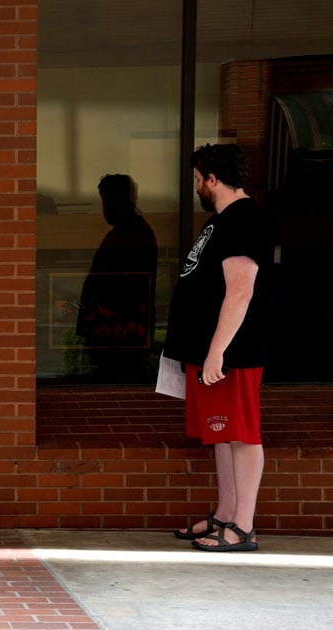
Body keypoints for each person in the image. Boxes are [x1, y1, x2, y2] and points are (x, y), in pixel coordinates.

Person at [165, 144, 273, 552]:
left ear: (212, 178)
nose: (196, 187)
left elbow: (241, 291)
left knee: (242, 435)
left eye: (197, 179)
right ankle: (225, 515)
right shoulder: (221, 221)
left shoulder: (245, 219)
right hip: (214, 353)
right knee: (221, 436)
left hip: (233, 354)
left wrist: (217, 351)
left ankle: (243, 526)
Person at [76, 174, 158, 381]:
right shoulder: (129, 233)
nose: (105, 209)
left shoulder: (132, 236)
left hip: (120, 337)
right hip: (117, 334)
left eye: (107, 201)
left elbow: (119, 289)